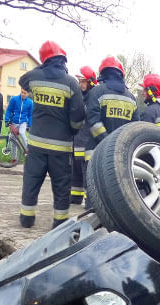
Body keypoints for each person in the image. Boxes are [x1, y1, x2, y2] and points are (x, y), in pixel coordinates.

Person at [18, 40, 84, 229]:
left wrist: (40, 71)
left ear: (44, 59)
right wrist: (73, 129)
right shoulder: (71, 82)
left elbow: (23, 81)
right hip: (61, 147)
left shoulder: (34, 77)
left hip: (36, 145)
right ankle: (60, 222)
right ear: (63, 59)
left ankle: (26, 218)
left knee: (31, 181)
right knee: (61, 185)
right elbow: (78, 115)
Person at [85, 56, 140, 145]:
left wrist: (108, 142)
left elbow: (94, 122)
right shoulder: (132, 98)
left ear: (103, 73)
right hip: (121, 152)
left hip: (96, 151)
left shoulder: (96, 92)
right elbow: (134, 127)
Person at [71, 65, 97, 205]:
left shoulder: (93, 97)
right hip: (78, 139)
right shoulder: (81, 96)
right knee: (75, 169)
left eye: (83, 81)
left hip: (87, 140)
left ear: (91, 82)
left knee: (86, 170)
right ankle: (75, 196)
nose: (80, 84)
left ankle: (89, 200)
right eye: (79, 81)